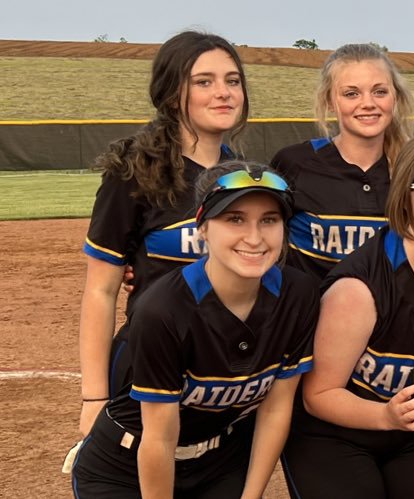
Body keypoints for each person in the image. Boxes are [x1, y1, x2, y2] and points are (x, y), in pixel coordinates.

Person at [71, 162, 315, 498]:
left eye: (269, 220)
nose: (255, 237)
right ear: (202, 226)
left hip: (219, 466)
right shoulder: (163, 310)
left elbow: (276, 407)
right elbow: (159, 438)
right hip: (127, 467)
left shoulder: (298, 296)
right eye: (235, 219)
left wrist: (251, 495)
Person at [282, 135, 414, 499]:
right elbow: (318, 395)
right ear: (407, 194)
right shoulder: (358, 289)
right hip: (335, 433)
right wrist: (385, 416)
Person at [77, 30, 249, 439]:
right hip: (148, 363)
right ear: (173, 94)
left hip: (222, 375)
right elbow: (101, 290)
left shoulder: (243, 175)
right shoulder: (134, 170)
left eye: (233, 80)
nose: (223, 92)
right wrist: (93, 399)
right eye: (203, 81)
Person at [270, 42, 414, 279]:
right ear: (329, 100)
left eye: (380, 91)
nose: (368, 103)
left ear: (395, 97)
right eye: (351, 93)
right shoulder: (294, 163)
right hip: (311, 312)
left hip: (394, 314)